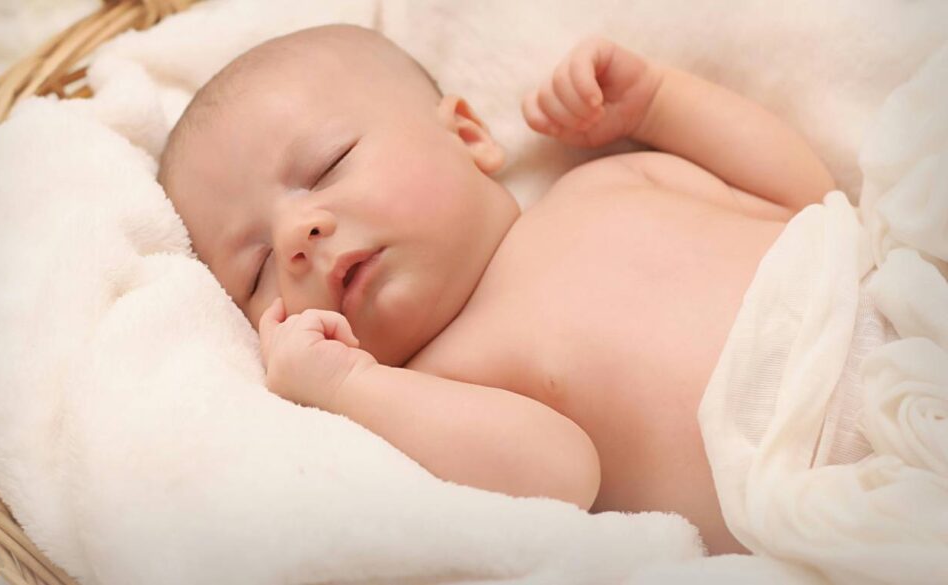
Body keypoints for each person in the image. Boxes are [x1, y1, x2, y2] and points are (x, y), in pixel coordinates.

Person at [156, 24, 836, 555]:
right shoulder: (435, 386)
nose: (297, 235)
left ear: (469, 134)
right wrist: (344, 386)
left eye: (328, 165)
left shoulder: (603, 179)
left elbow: (806, 199)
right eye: (256, 269)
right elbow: (563, 473)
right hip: (836, 490)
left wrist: (658, 102)